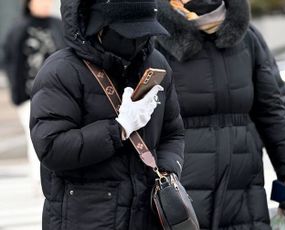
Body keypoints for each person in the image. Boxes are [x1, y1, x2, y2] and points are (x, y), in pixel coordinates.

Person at [29, 0, 184, 229]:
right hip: (86, 216)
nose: (137, 42)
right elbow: (51, 148)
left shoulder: (155, 64)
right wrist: (118, 129)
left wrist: (168, 172)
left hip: (146, 215)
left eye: (144, 33)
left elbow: (174, 132)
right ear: (98, 28)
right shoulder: (61, 71)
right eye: (128, 34)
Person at [156, 0, 285, 229]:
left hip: (245, 197)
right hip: (181, 199)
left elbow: (272, 111)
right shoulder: (154, 39)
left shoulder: (248, 38)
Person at [2, 0, 65, 190]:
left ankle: (54, 177)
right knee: (36, 137)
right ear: (29, 4)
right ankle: (39, 179)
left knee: (59, 134)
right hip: (30, 95)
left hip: (58, 92)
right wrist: (17, 93)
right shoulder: (19, 28)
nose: (46, 3)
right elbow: (10, 61)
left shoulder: (57, 25)